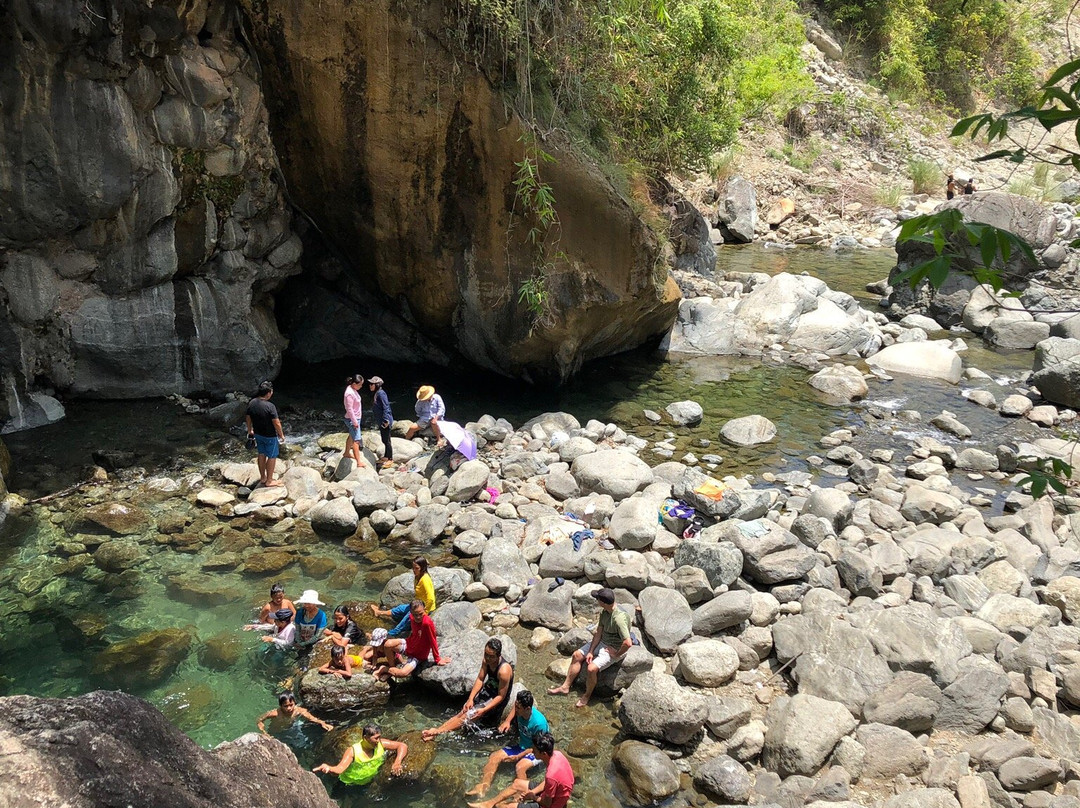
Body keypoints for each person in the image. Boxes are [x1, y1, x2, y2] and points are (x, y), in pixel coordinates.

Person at [547, 588, 632, 708]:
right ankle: (565, 687)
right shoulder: (604, 612)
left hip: (613, 648)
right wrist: (591, 651)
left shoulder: (619, 619)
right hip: (602, 641)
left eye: (597, 599)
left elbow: (628, 643)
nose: (596, 600)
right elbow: (598, 633)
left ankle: (587, 695)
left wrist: (617, 654)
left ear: (603, 602)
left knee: (591, 668)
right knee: (577, 655)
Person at [422, 637, 514, 741]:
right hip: (489, 689)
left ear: (498, 656)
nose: (487, 658)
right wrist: (470, 699)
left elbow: (501, 696)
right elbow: (480, 679)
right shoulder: (486, 661)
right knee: (463, 711)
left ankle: (437, 732)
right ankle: (438, 730)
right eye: (486, 654)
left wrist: (483, 710)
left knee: (469, 716)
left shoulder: (504, 671)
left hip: (497, 697)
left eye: (491, 656)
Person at [466, 689, 549, 798]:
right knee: (494, 756)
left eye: (518, 708)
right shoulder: (520, 710)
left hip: (536, 750)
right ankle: (483, 786)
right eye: (516, 705)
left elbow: (538, 747)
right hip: (522, 746)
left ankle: (520, 797)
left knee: (520, 767)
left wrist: (518, 757)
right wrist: (507, 721)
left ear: (527, 708)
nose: (516, 709)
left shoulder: (539, 723)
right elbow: (514, 710)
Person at [467, 731, 574, 808]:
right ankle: (489, 804)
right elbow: (550, 782)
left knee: (507, 807)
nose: (532, 752)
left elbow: (547, 803)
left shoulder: (551, 774)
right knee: (517, 783)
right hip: (556, 792)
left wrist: (532, 796)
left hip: (553, 804)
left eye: (535, 750)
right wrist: (532, 791)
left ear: (544, 754)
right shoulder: (557, 754)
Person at [372, 599, 449, 680]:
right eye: (415, 614)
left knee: (403, 673)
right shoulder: (411, 617)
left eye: (421, 614)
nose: (418, 617)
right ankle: (392, 667)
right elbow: (413, 633)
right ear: (411, 612)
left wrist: (437, 659)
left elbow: (433, 640)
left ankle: (385, 669)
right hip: (408, 644)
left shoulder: (427, 623)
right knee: (387, 644)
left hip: (418, 655)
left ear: (425, 610)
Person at [313, 724, 408, 784]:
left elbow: (402, 746)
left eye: (379, 737)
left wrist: (397, 762)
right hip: (351, 784)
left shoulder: (381, 744)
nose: (378, 741)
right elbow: (340, 769)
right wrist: (329, 768)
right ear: (365, 737)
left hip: (370, 779)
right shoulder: (352, 751)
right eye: (376, 738)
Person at [370, 557, 437, 639]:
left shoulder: (425, 579)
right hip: (416, 604)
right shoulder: (418, 576)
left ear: (422, 568)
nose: (414, 570)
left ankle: (385, 636)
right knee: (399, 609)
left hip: (422, 608)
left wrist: (424, 612)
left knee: (403, 622)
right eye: (413, 567)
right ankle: (379, 612)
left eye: (416, 568)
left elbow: (431, 599)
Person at [246, 381, 286, 487]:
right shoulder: (270, 406)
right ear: (268, 393)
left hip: (258, 434)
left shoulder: (252, 402)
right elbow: (276, 422)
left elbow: (248, 417)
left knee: (261, 454)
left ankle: (263, 478)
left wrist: (250, 430)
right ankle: (269, 480)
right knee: (272, 456)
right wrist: (281, 435)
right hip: (270, 436)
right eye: (271, 391)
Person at [257, 692, 332, 735]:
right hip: (276, 731)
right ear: (280, 706)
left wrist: (322, 723)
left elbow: (311, 717)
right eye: (285, 706)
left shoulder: (298, 711)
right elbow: (259, 720)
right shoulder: (275, 713)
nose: (289, 708)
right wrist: (264, 732)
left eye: (291, 705)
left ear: (295, 703)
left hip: (290, 727)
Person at [369, 376, 394, 469]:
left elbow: (386, 407)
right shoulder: (377, 393)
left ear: (377, 385)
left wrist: (386, 420)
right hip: (381, 421)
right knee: (384, 439)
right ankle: (386, 456)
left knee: (387, 440)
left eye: (372, 384)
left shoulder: (381, 393)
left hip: (385, 421)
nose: (370, 386)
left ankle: (390, 459)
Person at [343, 374, 365, 469]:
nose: (361, 386)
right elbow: (349, 409)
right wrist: (355, 422)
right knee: (356, 440)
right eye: (360, 385)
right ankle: (358, 462)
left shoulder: (353, 389)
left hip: (355, 418)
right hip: (353, 419)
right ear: (354, 383)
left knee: (351, 436)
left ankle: (347, 452)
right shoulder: (349, 393)